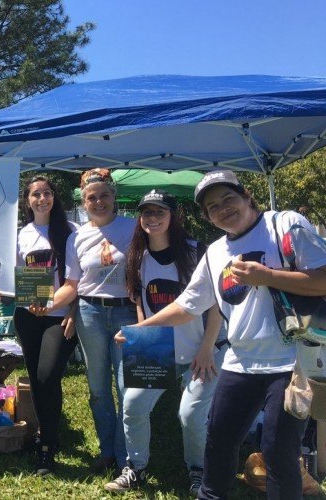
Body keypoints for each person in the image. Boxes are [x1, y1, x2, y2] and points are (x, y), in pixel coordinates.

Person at [118, 170, 326, 499]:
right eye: (213, 206)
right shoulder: (216, 252)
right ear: (207, 216)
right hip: (239, 361)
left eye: (228, 198)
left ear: (246, 196)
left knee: (277, 452)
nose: (223, 208)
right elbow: (188, 305)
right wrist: (143, 327)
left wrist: (268, 276)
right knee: (217, 442)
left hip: (293, 361)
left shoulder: (286, 224)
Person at [104, 189, 225, 494]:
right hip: (159, 348)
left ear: (174, 216)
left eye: (160, 212)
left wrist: (207, 349)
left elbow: (216, 308)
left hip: (204, 349)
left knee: (190, 414)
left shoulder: (199, 252)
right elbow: (140, 301)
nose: (152, 218)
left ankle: (197, 470)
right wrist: (141, 331)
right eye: (147, 212)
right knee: (132, 405)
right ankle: (136, 467)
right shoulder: (137, 257)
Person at [34, 167, 136, 472]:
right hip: (90, 314)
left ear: (114, 197)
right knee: (98, 389)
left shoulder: (134, 228)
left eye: (104, 195)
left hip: (126, 314)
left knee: (126, 389)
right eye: (92, 197)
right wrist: (49, 304)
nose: (99, 201)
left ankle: (126, 457)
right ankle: (108, 453)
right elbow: (72, 286)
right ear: (84, 200)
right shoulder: (76, 237)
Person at [11, 175, 79, 475]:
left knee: (48, 375)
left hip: (59, 316)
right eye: (36, 194)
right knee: (37, 380)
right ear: (27, 200)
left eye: (47, 193)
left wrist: (73, 311)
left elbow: (82, 280)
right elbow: (13, 275)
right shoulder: (19, 235)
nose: (42, 199)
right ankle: (46, 438)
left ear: (54, 197)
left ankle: (48, 443)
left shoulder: (72, 232)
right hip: (27, 316)